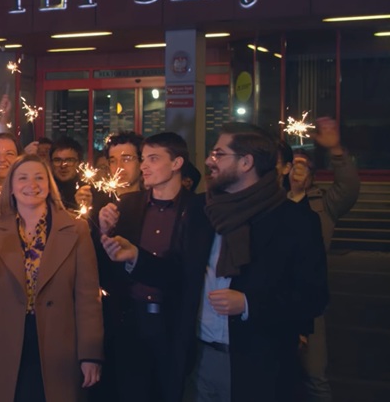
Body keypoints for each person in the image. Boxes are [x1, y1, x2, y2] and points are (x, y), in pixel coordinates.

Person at [99, 122, 329, 402]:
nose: (209, 161)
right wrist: (135, 256)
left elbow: (313, 298)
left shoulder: (294, 220)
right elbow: (178, 274)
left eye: (219, 154)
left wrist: (248, 304)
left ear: (246, 162)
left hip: (258, 363)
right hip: (199, 357)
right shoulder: (202, 210)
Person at [0, 154, 103, 401]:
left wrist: (90, 354)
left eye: (39, 178)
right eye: (23, 178)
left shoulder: (76, 228)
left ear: (49, 185)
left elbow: (88, 298)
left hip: (58, 345)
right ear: (11, 187)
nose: (32, 184)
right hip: (4, 343)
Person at [93, 132, 192, 402]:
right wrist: (104, 231)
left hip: (173, 323)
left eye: (153, 159)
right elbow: (105, 266)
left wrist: (136, 257)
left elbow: (186, 271)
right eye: (144, 159)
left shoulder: (196, 209)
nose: (145, 166)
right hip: (130, 321)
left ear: (176, 163)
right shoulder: (127, 205)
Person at [288, 117, 359, 402]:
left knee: (315, 373)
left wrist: (336, 151)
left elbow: (349, 187)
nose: (298, 171)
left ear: (313, 174)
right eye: (293, 165)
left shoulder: (323, 204)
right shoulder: (274, 202)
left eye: (304, 166)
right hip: (274, 296)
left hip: (310, 299)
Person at [48, 137, 84, 210]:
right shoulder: (44, 191)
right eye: (57, 160)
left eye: (69, 160)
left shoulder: (89, 191)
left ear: (79, 163)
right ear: (50, 163)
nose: (63, 165)